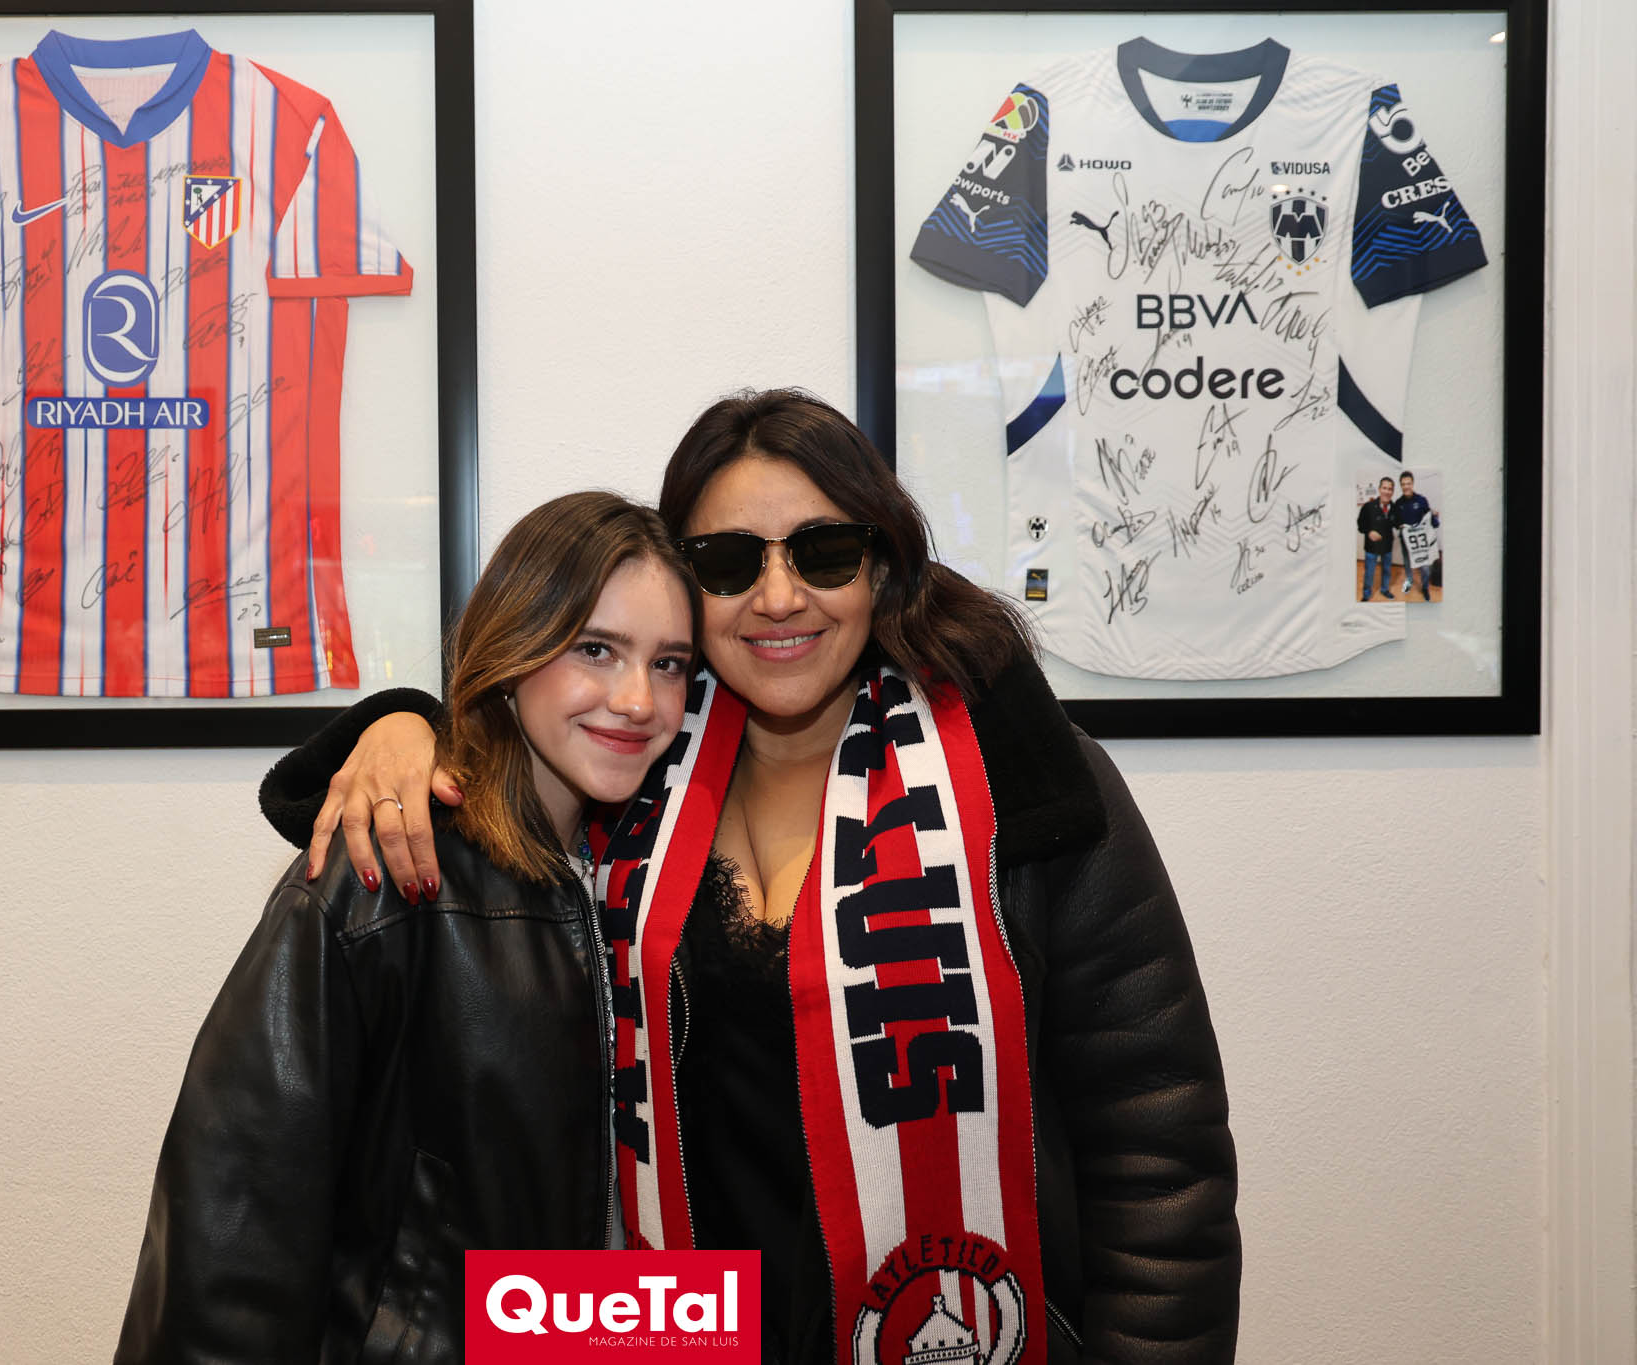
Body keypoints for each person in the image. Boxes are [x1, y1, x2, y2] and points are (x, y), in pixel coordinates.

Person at [267, 390, 1242, 1364]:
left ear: (879, 566)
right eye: (729, 562)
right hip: (677, 1339)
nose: (778, 597)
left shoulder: (1017, 778)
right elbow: (494, 755)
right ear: (683, 586)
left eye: (823, 552)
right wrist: (403, 724)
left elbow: (1160, 1149)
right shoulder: (627, 767)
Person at [114, 491, 698, 1363]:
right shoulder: (386, 870)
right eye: (595, 648)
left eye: (670, 663)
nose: (637, 698)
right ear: (513, 647)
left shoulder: (650, 881)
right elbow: (233, 1229)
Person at [1394, 471, 1438, 600]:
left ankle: (1425, 587)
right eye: (1403, 484)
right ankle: (1409, 580)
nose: (1406, 486)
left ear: (1412, 484)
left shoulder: (1421, 500)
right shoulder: (1398, 503)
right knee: (1408, 563)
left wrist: (1435, 518)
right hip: (1406, 540)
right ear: (1401, 485)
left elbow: (1429, 518)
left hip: (1421, 542)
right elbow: (1395, 521)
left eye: (1408, 483)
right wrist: (1399, 525)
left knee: (1425, 567)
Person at [1358, 476, 1398, 600]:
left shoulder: (1395, 508)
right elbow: (1360, 525)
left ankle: (1385, 590)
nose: (1387, 491)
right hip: (1371, 547)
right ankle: (1366, 594)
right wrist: (1369, 532)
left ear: (1392, 491)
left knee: (1387, 570)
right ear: (1380, 489)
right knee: (1369, 572)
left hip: (1387, 546)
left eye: (1390, 489)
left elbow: (1398, 523)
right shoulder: (1368, 507)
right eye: (1384, 488)